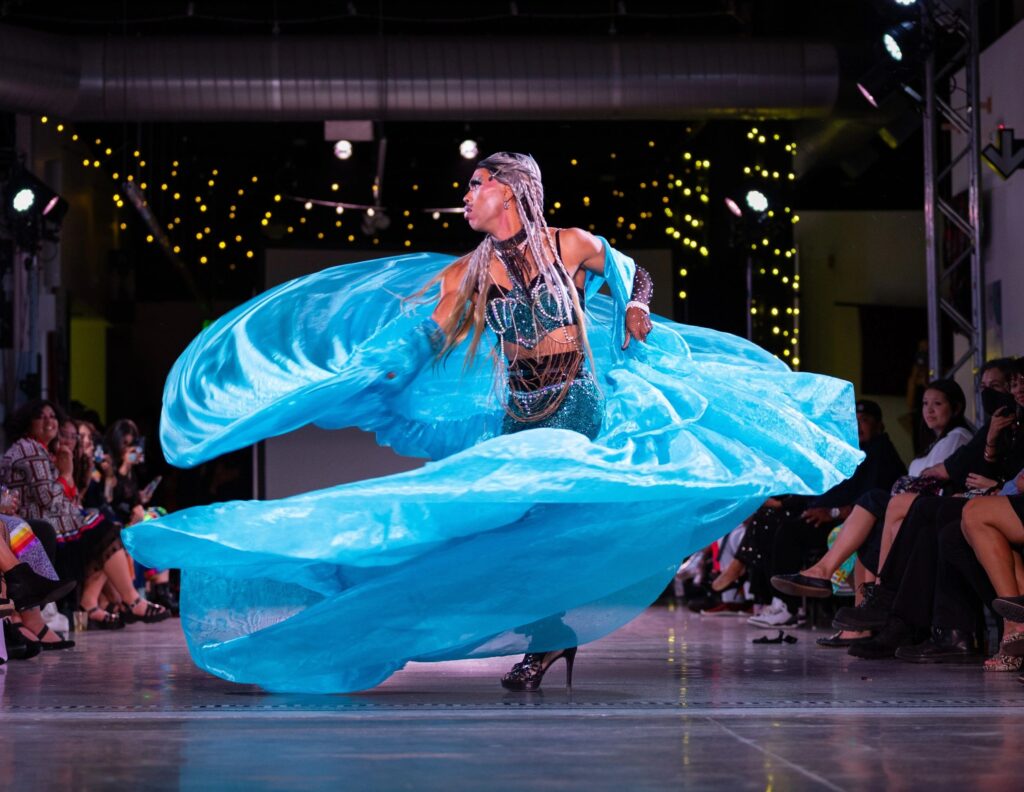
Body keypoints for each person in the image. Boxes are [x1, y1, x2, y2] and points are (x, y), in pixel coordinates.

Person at [124, 152, 863, 694]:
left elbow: (630, 270)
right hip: (521, 411)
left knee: (552, 522)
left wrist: (635, 306)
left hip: (580, 403)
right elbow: (427, 331)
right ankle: (525, 628)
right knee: (506, 526)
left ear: (510, 189)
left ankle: (546, 635)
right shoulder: (470, 273)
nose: (468, 196)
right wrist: (376, 366)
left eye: (477, 184)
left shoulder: (567, 244)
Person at [771, 379, 972, 642]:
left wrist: (833, 512)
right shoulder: (935, 442)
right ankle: (859, 619)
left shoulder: (957, 439)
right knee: (868, 526)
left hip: (930, 511)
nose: (929, 410)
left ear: (956, 408)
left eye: (937, 404)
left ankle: (829, 577)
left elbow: (936, 482)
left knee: (873, 499)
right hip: (912, 509)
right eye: (925, 404)